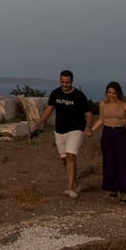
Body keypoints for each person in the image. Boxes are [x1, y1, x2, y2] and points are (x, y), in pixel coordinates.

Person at [32, 70, 93, 198]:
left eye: (67, 82)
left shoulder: (79, 95)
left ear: (72, 82)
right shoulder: (56, 93)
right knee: (65, 159)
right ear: (60, 81)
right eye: (63, 82)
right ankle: (75, 183)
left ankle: (70, 188)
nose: (65, 85)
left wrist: (88, 127)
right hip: (59, 130)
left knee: (71, 155)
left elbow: (88, 114)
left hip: (76, 129)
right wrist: (38, 123)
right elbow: (49, 110)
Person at [91, 81, 126, 203]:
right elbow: (101, 119)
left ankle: (124, 192)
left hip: (120, 134)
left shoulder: (125, 105)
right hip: (107, 133)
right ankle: (113, 188)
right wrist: (91, 130)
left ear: (118, 93)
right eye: (109, 93)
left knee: (121, 162)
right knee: (109, 161)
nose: (112, 95)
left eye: (114, 93)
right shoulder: (103, 104)